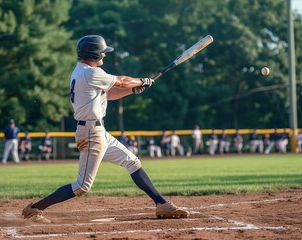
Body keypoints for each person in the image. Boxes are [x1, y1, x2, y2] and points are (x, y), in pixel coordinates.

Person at [22, 35, 188, 223]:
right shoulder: (91, 73)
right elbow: (122, 80)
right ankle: (34, 209)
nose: (104, 55)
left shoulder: (83, 71)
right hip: (92, 133)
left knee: (132, 162)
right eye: (102, 52)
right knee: (82, 187)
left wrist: (132, 89)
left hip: (99, 132)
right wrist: (141, 81)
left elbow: (109, 94)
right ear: (93, 54)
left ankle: (161, 204)